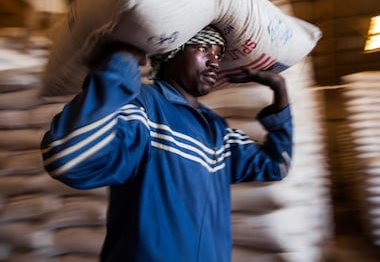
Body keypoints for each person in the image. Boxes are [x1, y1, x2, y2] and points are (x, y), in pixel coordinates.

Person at [41, 25, 293, 262]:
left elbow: (276, 165)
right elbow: (67, 157)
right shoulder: (144, 110)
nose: (215, 62)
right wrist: (122, 62)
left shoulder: (217, 131)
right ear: (171, 53)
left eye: (218, 53)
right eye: (203, 49)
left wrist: (280, 91)